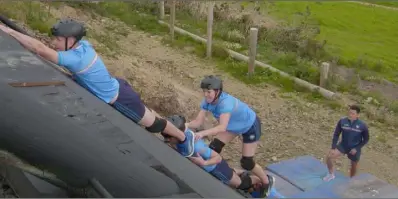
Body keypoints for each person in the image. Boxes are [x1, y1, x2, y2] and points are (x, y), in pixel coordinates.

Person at [0, 19, 195, 157]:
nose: (54, 43)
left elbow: (40, 49)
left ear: (71, 41)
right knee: (149, 113)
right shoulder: (83, 45)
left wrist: (10, 31)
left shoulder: (76, 59)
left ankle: (183, 138)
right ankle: (174, 133)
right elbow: (44, 48)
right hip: (118, 86)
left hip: (119, 99)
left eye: (59, 40)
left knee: (152, 123)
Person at [186, 75, 275, 197]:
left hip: (250, 126)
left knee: (247, 162)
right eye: (204, 91)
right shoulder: (207, 102)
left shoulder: (225, 103)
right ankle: (232, 173)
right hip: (233, 126)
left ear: (217, 91)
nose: (206, 95)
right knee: (213, 148)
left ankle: (266, 181)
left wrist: (201, 134)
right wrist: (184, 126)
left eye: (209, 92)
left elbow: (222, 127)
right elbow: (197, 122)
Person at [161, 114, 270, 197]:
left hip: (217, 168)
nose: (167, 140)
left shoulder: (197, 147)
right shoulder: (180, 138)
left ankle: (260, 180)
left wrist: (203, 162)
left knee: (241, 184)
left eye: (169, 137)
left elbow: (217, 158)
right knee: (232, 172)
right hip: (212, 166)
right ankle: (242, 172)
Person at [323, 105, 369, 181]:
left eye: (353, 113)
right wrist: (333, 147)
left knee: (354, 165)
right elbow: (336, 134)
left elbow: (366, 139)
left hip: (354, 148)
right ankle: (331, 174)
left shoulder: (362, 125)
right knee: (329, 157)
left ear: (357, 115)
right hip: (343, 145)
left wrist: (357, 148)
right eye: (349, 113)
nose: (350, 115)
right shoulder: (342, 121)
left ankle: (351, 180)